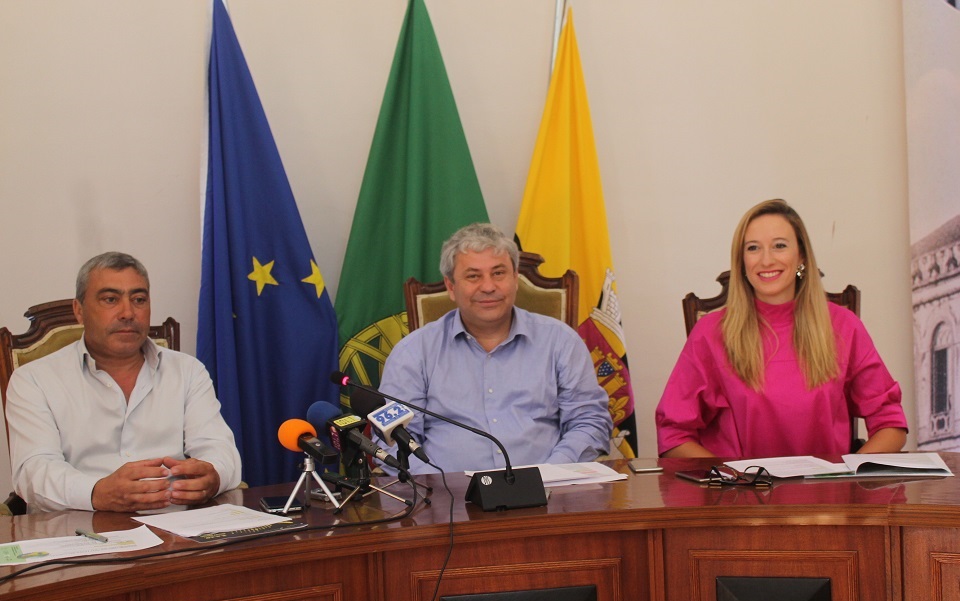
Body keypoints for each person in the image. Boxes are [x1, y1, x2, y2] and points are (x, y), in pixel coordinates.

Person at [656, 199, 907, 458]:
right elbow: (673, 434)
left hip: (828, 495)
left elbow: (891, 424)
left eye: (779, 246)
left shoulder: (844, 326)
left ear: (801, 256)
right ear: (741, 261)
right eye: (753, 248)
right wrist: (728, 480)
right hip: (739, 495)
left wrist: (849, 477)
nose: (766, 260)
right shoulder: (710, 333)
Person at [6, 252, 242, 512]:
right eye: (110, 299)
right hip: (78, 529)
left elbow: (220, 449)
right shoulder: (34, 380)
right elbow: (33, 470)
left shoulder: (187, 371)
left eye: (139, 299)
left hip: (175, 529)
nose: (128, 312)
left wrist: (213, 475)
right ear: (79, 311)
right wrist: (96, 492)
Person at [376, 223, 613, 474]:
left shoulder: (561, 342)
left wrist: (552, 474)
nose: (488, 287)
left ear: (515, 279)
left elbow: (590, 421)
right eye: (473, 276)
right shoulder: (413, 352)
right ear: (451, 287)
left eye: (499, 273)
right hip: (448, 503)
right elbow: (392, 440)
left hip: (548, 495)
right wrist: (440, 490)